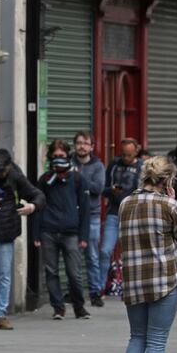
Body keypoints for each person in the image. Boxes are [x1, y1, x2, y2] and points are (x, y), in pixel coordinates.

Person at [111, 156, 177, 353]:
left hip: (133, 280)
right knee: (156, 340)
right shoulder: (169, 204)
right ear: (167, 180)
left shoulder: (125, 203)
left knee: (136, 336)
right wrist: (174, 199)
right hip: (163, 280)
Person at [0, 149, 45, 331]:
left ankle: (1, 315)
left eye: (3, 171)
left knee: (4, 274)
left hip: (6, 233)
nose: (1, 175)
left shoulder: (16, 176)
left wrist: (32, 207)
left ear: (9, 167)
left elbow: (38, 195)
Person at [34, 140, 90, 320]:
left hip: (71, 232)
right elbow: (38, 207)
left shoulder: (77, 179)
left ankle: (79, 307)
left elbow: (85, 208)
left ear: (68, 156)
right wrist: (36, 234)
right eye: (56, 156)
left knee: (74, 273)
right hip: (48, 231)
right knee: (51, 272)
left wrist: (84, 235)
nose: (59, 160)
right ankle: (58, 308)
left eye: (62, 156)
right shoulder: (45, 180)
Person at [100, 139, 141, 296]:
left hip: (133, 216)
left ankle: (131, 287)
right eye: (123, 154)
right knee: (105, 250)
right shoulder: (114, 165)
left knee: (132, 254)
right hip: (114, 213)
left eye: (129, 155)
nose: (126, 158)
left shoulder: (141, 168)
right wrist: (111, 190)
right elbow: (102, 189)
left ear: (136, 152)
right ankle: (100, 287)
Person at [72, 131, 106, 307]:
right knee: (72, 256)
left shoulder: (98, 166)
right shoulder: (69, 163)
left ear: (91, 147)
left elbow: (98, 188)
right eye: (79, 143)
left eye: (85, 143)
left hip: (91, 215)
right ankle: (75, 292)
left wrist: (77, 178)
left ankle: (95, 292)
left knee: (92, 256)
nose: (82, 146)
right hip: (72, 216)